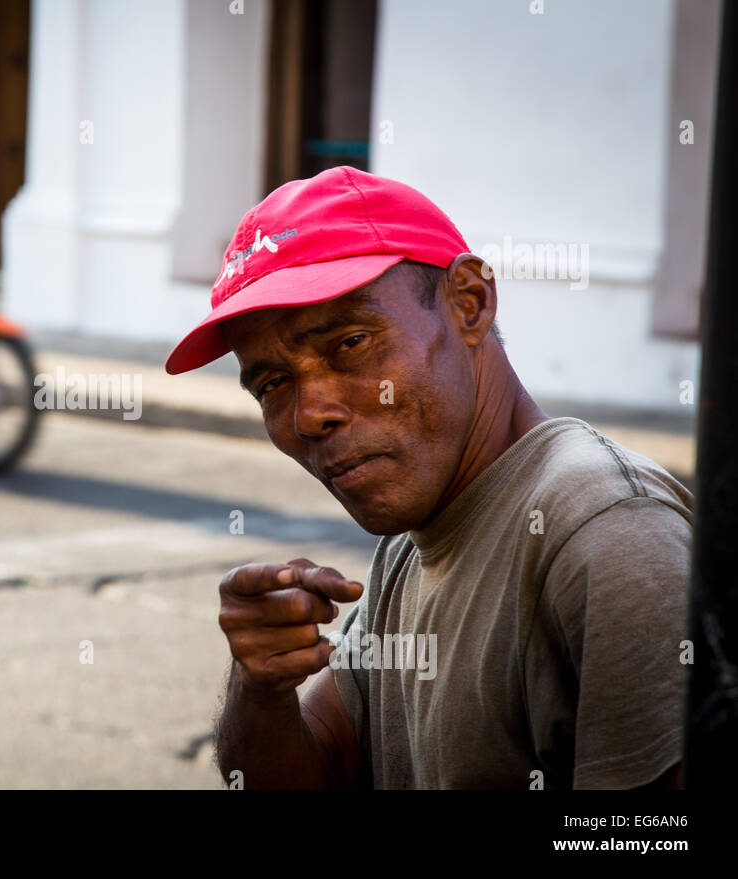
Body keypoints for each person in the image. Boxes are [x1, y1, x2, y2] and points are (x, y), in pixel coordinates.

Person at [165, 166, 691, 789]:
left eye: (350, 342)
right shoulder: (410, 546)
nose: (309, 414)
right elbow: (315, 768)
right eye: (274, 384)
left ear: (469, 302)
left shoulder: (608, 536)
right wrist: (262, 684)